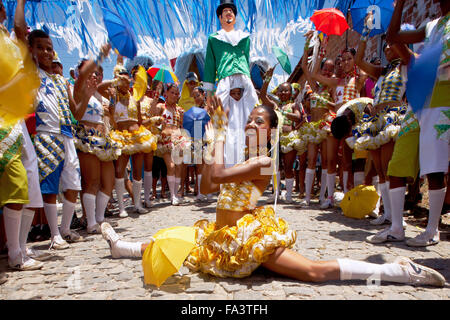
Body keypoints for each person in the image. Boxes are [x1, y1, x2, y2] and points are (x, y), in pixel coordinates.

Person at [100, 97, 445, 288]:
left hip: (246, 237)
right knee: (179, 240)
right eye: (248, 120)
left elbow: (215, 173)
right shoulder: (245, 158)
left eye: (259, 121)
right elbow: (206, 184)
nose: (251, 124)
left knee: (312, 272)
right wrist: (215, 138)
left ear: (271, 131)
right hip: (223, 234)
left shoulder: (264, 162)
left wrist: (217, 131)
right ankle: (123, 247)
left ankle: (398, 271)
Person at [15, 0, 96, 250]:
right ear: (31, 50)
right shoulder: (31, 73)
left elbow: (76, 112)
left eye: (50, 48)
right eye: (41, 48)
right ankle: (53, 235)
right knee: (49, 185)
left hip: (67, 136)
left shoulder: (61, 81)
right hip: (45, 135)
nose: (48, 53)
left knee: (72, 183)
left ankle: (64, 228)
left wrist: (86, 91)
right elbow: (19, 29)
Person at [375, 0, 450, 247]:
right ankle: (396, 227)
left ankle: (432, 230)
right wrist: (400, 3)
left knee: (434, 167)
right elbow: (393, 35)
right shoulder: (432, 26)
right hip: (420, 102)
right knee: (398, 163)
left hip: (443, 98)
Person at [348, 15, 410, 235]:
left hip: (393, 118)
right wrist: (365, 31)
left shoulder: (406, 66)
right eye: (385, 45)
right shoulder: (381, 72)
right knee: (380, 170)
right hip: (376, 121)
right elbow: (359, 60)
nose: (387, 48)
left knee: (390, 167)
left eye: (391, 44)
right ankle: (387, 214)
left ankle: (396, 218)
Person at [304, 31, 368, 209]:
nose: (345, 63)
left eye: (349, 59)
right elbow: (315, 75)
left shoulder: (358, 80)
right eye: (343, 60)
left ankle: (351, 195)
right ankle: (330, 197)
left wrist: (363, 39)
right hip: (335, 122)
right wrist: (321, 52)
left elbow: (364, 68)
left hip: (351, 122)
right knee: (331, 160)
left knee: (350, 162)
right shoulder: (336, 82)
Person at [98, 60, 157, 216]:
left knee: (138, 172)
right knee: (119, 171)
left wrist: (152, 121)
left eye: (127, 79)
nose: (126, 83)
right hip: (121, 137)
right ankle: (122, 208)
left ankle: (137, 204)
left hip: (137, 136)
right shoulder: (113, 95)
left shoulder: (135, 98)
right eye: (122, 80)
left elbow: (139, 121)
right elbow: (99, 88)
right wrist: (114, 81)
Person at [204, 0, 259, 168]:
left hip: (244, 79)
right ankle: (226, 169)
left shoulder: (245, 37)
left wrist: (248, 80)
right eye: (225, 11)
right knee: (222, 124)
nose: (229, 13)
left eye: (231, 11)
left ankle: (253, 166)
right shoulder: (214, 39)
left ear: (235, 17)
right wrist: (208, 95)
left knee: (254, 116)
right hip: (224, 81)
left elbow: (247, 59)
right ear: (220, 17)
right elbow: (209, 65)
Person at [73, 45, 121, 234]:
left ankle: (100, 218)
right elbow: (84, 76)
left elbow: (114, 84)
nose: (95, 76)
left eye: (98, 73)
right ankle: (91, 221)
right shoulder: (78, 89)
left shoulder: (100, 94)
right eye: (92, 73)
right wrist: (101, 54)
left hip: (103, 140)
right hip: (87, 138)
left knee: (107, 183)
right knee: (91, 181)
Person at [300, 42, 336, 207]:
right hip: (314, 126)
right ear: (321, 70)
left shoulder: (332, 88)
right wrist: (308, 45)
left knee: (328, 161)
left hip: (327, 126)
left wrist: (324, 101)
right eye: (325, 69)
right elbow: (304, 68)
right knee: (312, 159)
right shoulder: (314, 86)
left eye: (331, 69)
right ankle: (307, 197)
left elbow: (336, 105)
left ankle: (323, 197)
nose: (328, 72)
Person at [260, 68, 302, 203]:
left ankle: (288, 194)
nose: (283, 93)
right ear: (277, 92)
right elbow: (262, 96)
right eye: (281, 90)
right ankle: (276, 194)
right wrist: (268, 79)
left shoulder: (294, 104)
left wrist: (284, 113)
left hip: (289, 138)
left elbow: (297, 117)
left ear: (291, 92)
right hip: (275, 138)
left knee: (289, 167)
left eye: (286, 90)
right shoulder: (274, 105)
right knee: (275, 166)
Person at [182, 86, 211, 202]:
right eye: (194, 97)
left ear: (204, 94)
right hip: (198, 138)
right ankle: (200, 191)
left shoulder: (210, 107)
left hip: (210, 138)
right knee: (199, 166)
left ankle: (208, 191)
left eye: (197, 95)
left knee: (208, 166)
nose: (196, 99)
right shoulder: (194, 111)